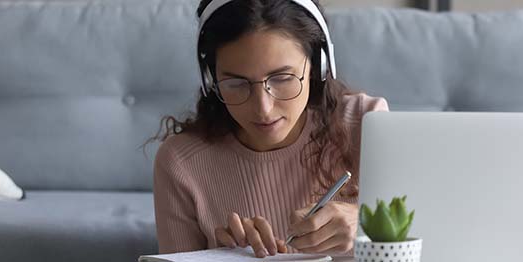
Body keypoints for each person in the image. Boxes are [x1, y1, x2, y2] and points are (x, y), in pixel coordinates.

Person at [148, 0, 388, 258]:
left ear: (318, 65)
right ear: (210, 80)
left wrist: (365, 224)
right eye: (236, 83)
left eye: (283, 78)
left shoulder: (366, 124)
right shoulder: (181, 162)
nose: (263, 108)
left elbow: (431, 234)